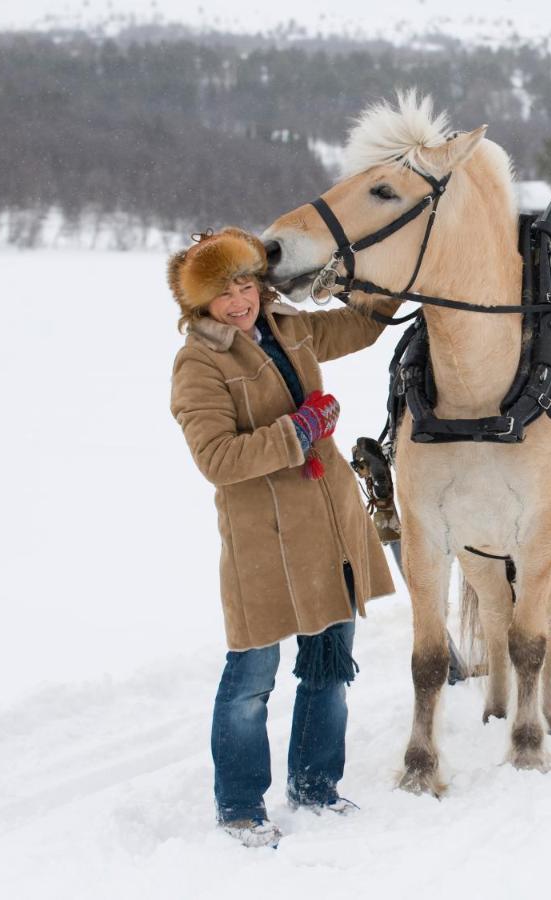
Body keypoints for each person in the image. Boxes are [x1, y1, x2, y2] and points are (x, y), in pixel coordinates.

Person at [168, 228, 397, 848]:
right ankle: (241, 806)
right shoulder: (199, 363)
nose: (240, 300)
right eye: (223, 292)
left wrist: (393, 276)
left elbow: (360, 326)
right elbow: (216, 457)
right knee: (252, 678)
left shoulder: (288, 323)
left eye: (246, 283)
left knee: (329, 667)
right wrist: (298, 429)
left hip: (329, 520)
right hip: (264, 539)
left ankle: (315, 786)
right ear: (199, 303)